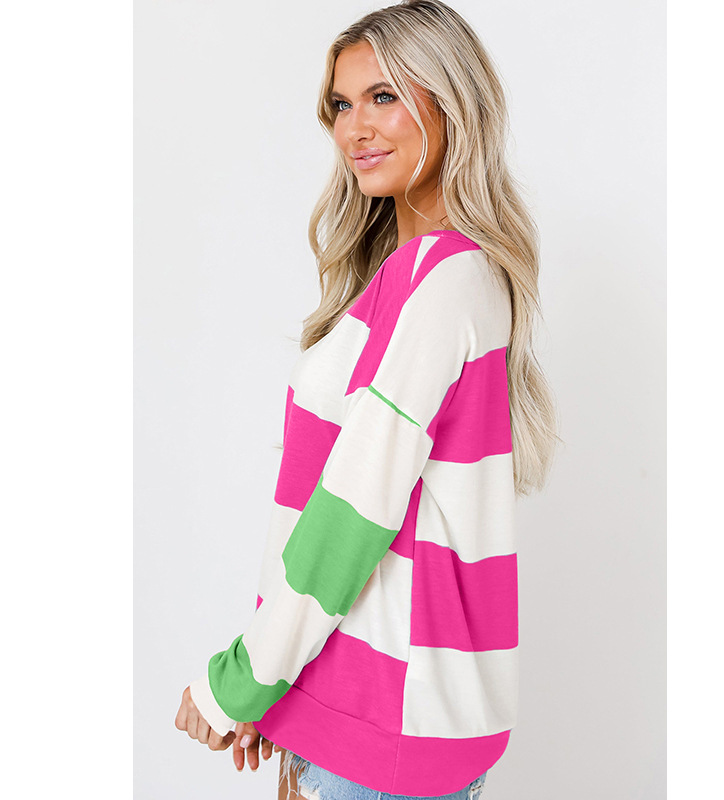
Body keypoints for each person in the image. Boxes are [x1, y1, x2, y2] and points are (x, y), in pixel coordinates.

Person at [174, 1, 559, 798]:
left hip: (381, 728)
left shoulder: (444, 280)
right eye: (342, 105)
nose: (355, 128)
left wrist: (243, 680)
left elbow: (351, 515)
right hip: (355, 708)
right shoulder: (419, 276)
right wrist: (279, 686)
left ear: (451, 103)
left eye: (384, 96)